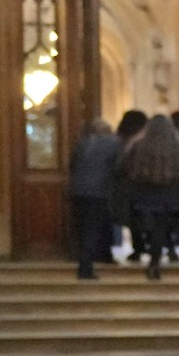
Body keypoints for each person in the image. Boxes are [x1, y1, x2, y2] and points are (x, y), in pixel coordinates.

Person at [118, 115, 179, 281]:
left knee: (148, 226)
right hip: (170, 192)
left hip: (144, 191)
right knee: (161, 227)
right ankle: (155, 261)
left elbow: (123, 166)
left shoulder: (137, 143)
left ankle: (145, 252)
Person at [68, 118, 123, 280]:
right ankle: (86, 269)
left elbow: (73, 165)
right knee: (93, 229)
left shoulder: (82, 144)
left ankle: (87, 259)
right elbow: (119, 168)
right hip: (99, 192)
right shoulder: (114, 144)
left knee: (83, 228)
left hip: (77, 190)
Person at [111, 110, 150, 265]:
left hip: (124, 186)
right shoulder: (144, 141)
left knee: (133, 219)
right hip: (143, 185)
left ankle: (138, 247)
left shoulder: (118, 140)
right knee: (143, 217)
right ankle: (144, 246)